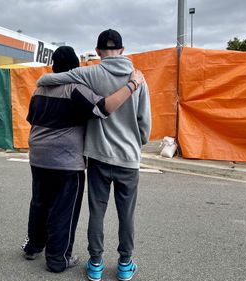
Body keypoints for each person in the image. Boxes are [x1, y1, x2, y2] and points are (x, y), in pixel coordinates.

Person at [36, 29, 151, 281]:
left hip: (99, 157)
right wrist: (136, 142)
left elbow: (48, 80)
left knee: (97, 212)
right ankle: (124, 264)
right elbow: (145, 125)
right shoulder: (139, 79)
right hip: (129, 159)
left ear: (98, 51)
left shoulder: (89, 73)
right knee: (126, 213)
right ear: (122, 49)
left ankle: (96, 263)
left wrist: (41, 81)